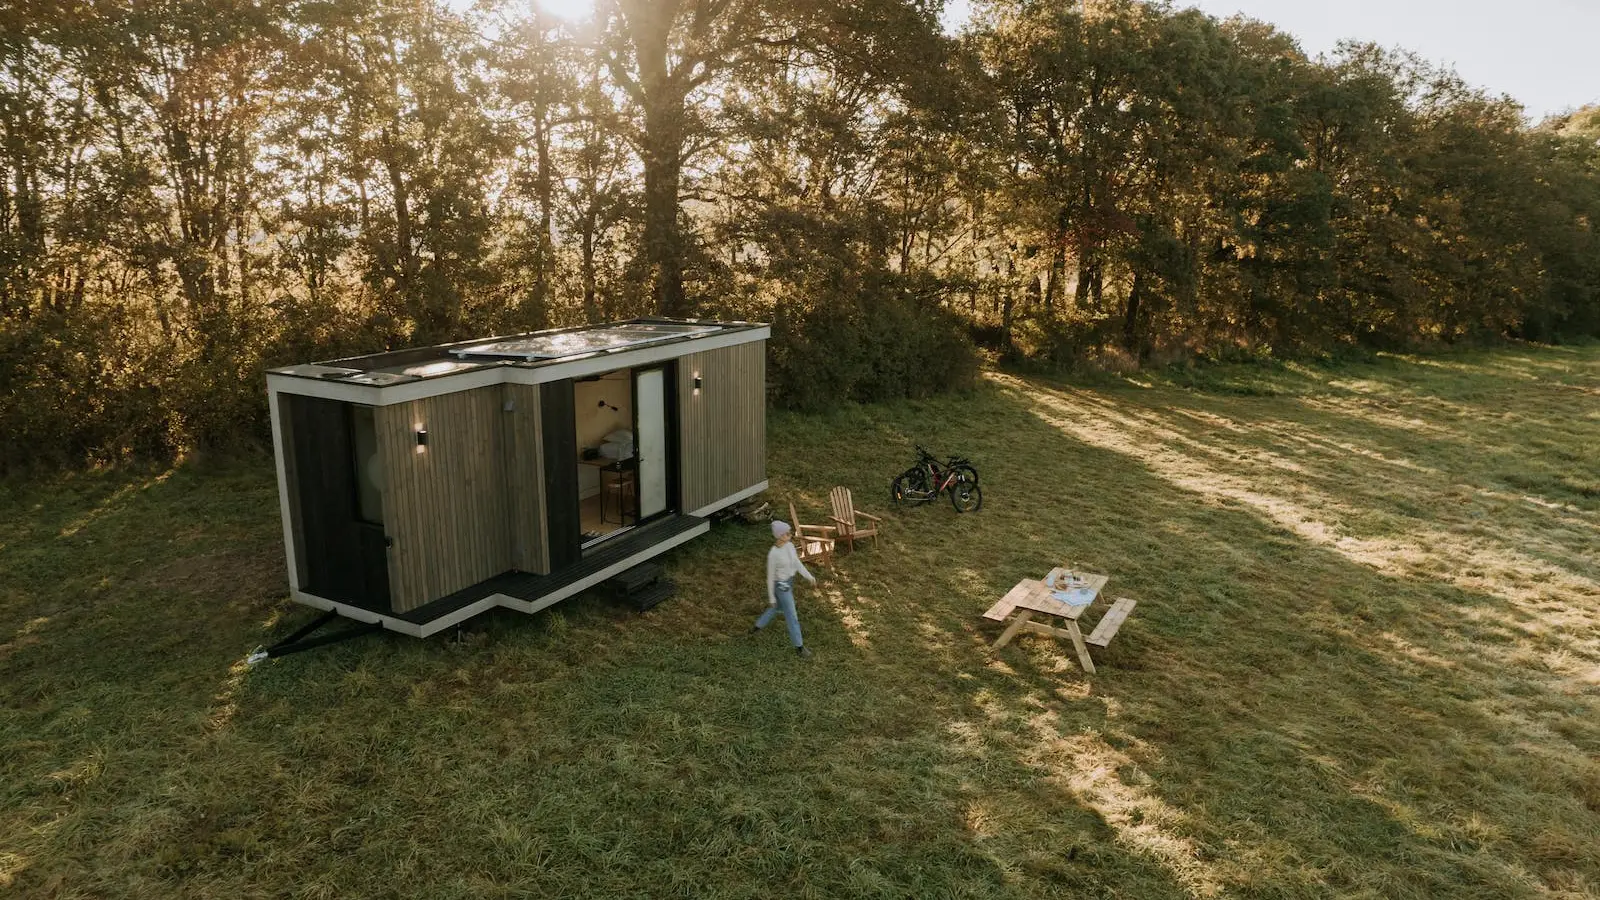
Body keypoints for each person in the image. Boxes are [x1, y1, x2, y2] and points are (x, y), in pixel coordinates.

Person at [750, 520, 816, 658]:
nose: (790, 535)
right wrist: (771, 597)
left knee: (776, 608)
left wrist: (809, 577)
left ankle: (757, 626)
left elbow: (797, 563)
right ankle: (799, 647)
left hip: (789, 582)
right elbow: (769, 577)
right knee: (792, 615)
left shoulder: (790, 546)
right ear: (779, 536)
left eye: (790, 532)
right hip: (780, 586)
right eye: (787, 533)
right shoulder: (773, 554)